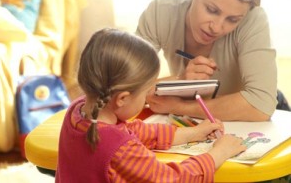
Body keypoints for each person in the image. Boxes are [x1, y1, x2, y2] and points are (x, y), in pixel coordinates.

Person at [55, 28, 246, 183]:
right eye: (146, 92)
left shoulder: (78, 110)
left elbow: (131, 132)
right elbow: (173, 179)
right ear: (122, 98)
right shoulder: (119, 150)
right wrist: (218, 154)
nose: (148, 96)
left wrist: (192, 133)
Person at [136, 0, 277, 121]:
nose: (216, 28)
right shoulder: (160, 12)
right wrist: (180, 80)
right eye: (212, 10)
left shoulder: (253, 19)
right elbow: (125, 87)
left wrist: (180, 106)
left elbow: (261, 105)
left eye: (233, 19)